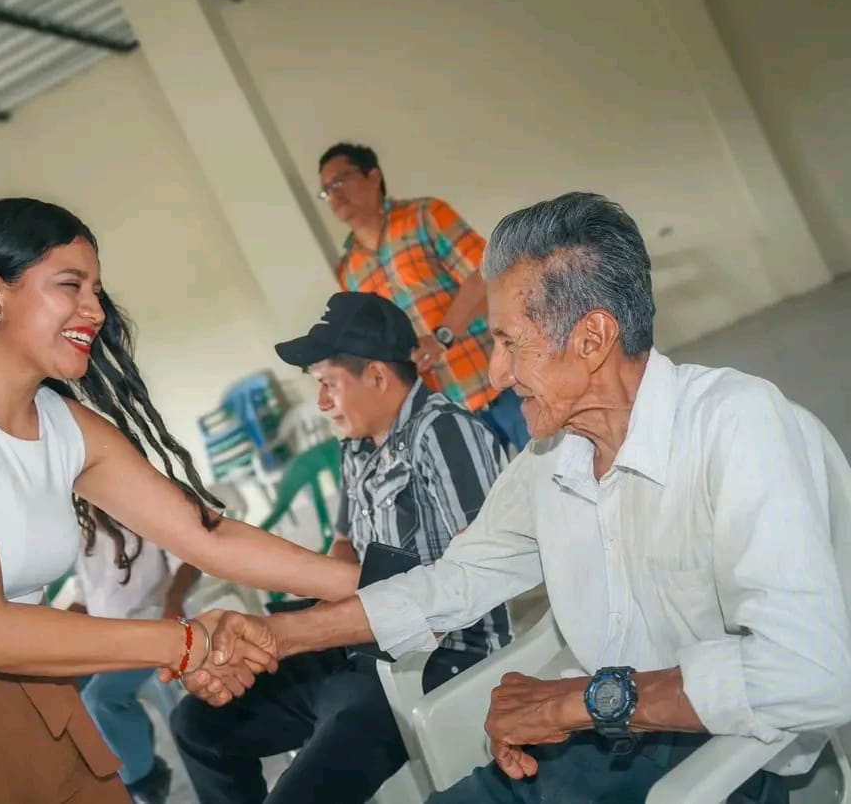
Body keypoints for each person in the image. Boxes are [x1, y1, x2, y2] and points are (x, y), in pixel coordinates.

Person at [182, 193, 851, 804]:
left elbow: (811, 671)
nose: (495, 373)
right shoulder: (552, 458)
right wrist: (282, 634)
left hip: (724, 756)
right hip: (593, 741)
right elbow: (453, 582)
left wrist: (577, 703)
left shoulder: (737, 427)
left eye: (508, 343)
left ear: (592, 339)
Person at [0, 197, 360, 803]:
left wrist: (373, 586)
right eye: (70, 285)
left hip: (30, 686)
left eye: (96, 290)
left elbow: (209, 537)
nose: (94, 309)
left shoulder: (65, 425)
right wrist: (188, 642)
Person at [170, 291, 512, 804]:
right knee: (196, 725)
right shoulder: (358, 444)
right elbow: (345, 541)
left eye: (329, 384)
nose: (321, 403)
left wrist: (313, 628)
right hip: (358, 646)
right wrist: (327, 615)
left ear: (376, 376)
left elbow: (472, 581)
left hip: (433, 658)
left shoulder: (444, 434)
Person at [318, 141, 529, 451]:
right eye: (326, 190)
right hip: (451, 419)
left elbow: (487, 272)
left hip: (508, 384)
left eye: (340, 180)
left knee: (561, 473)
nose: (334, 194)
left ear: (373, 176)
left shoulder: (425, 215)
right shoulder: (349, 271)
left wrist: (442, 337)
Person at [69, 500, 203, 804]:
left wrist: (173, 600)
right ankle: (126, 765)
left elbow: (188, 563)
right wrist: (53, 630)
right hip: (105, 641)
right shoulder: (83, 533)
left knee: (99, 699)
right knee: (59, 688)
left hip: (151, 629)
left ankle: (143, 780)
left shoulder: (144, 512)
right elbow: (84, 598)